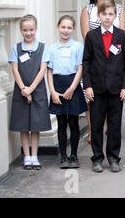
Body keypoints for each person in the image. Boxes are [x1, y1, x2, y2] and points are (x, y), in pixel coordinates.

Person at [83, 0, 125, 173]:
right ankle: (97, 158)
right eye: (104, 14)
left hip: (116, 89)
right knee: (96, 125)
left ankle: (113, 157)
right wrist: (87, 86)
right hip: (96, 90)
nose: (107, 17)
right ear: (99, 15)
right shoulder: (91, 36)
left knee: (114, 126)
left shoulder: (122, 36)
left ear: (115, 15)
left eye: (111, 14)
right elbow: (86, 62)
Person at [80, 0, 125, 144]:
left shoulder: (119, 9)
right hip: (95, 60)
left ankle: (110, 133)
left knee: (112, 110)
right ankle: (94, 131)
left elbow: (122, 36)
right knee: (94, 105)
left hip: (114, 64)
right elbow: (87, 36)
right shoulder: (88, 9)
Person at [9, 15, 51, 170]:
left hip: (37, 90)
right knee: (23, 126)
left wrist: (31, 89)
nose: (28, 33)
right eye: (25, 30)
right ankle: (26, 157)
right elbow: (14, 69)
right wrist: (23, 90)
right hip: (21, 91)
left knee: (35, 125)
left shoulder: (42, 48)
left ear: (36, 29)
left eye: (31, 30)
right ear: (21, 30)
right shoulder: (16, 48)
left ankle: (35, 156)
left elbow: (42, 70)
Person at [47, 16, 88, 169]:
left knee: (73, 122)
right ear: (58, 27)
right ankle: (63, 156)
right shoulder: (51, 48)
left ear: (74, 29)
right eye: (63, 27)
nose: (66, 30)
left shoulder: (78, 47)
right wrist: (52, 91)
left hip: (73, 84)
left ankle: (74, 155)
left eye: (69, 27)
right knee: (61, 122)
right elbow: (49, 71)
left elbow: (80, 68)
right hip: (57, 85)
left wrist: (72, 88)